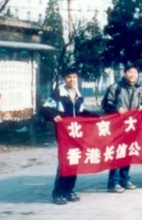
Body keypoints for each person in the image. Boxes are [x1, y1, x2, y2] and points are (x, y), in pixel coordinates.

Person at [41, 67, 99, 205]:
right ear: (64, 79)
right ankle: (58, 193)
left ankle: (69, 190)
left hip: (76, 133)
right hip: (63, 133)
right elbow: (46, 108)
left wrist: (94, 116)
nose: (71, 80)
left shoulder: (79, 95)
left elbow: (80, 112)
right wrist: (54, 115)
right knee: (65, 162)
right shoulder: (58, 94)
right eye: (68, 77)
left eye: (74, 77)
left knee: (74, 160)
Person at [102, 64, 142, 193]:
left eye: (135, 72)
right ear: (125, 73)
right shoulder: (115, 87)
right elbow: (106, 103)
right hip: (117, 125)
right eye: (130, 72)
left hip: (131, 125)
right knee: (117, 152)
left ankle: (124, 179)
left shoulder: (139, 88)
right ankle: (113, 182)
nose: (132, 75)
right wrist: (117, 108)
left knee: (128, 152)